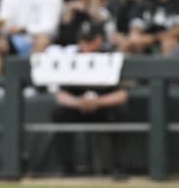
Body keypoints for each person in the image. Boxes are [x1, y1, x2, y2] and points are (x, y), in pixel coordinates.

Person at [49, 20, 129, 175]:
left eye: (89, 41)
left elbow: (122, 95)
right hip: (78, 108)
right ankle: (67, 169)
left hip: (105, 108)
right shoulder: (72, 59)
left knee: (121, 113)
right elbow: (60, 95)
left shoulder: (111, 57)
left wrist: (97, 102)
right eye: (82, 40)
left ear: (99, 40)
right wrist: (79, 103)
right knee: (59, 114)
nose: (85, 46)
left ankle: (118, 167)